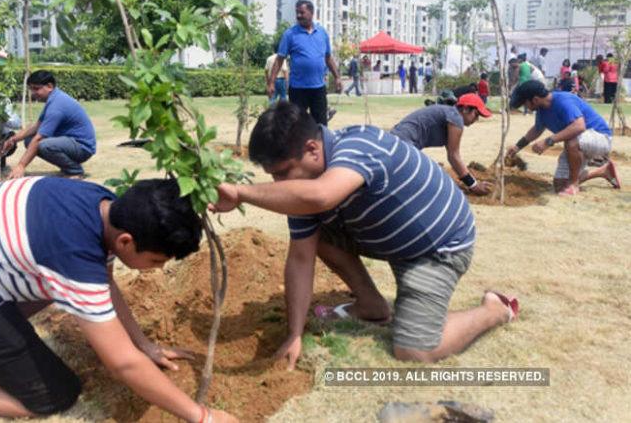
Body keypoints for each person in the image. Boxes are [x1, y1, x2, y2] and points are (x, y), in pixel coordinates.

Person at [0, 177, 238, 423]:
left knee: (66, 293)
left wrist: (145, 345)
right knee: (50, 397)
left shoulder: (103, 202)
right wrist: (201, 416)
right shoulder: (72, 252)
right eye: (156, 260)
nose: (156, 269)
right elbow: (121, 364)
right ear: (126, 242)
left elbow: (102, 286)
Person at [210, 102, 518, 367]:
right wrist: (294, 334)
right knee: (317, 237)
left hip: (437, 247)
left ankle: (494, 310)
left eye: (282, 173)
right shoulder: (303, 191)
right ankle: (372, 306)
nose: (278, 183)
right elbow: (301, 258)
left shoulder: (359, 145)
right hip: (392, 238)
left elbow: (321, 195)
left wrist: (240, 192)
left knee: (415, 350)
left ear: (312, 149)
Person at [507, 81, 621, 196]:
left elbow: (579, 126)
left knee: (571, 141)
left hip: (600, 138)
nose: (525, 107)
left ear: (535, 99)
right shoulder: (541, 111)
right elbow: (536, 130)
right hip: (579, 141)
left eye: (525, 103)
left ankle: (574, 185)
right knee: (560, 185)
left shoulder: (563, 101)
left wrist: (548, 141)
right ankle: (603, 171)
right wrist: (518, 146)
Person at [391, 93, 494, 196]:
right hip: (403, 144)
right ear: (465, 109)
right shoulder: (455, 118)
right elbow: (453, 157)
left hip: (398, 142)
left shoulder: (451, 114)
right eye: (476, 114)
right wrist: (474, 185)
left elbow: (452, 156)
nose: (477, 119)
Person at [2, 70, 96, 179]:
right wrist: (13, 139)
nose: (32, 93)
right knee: (29, 141)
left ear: (49, 86)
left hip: (83, 147)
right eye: (31, 89)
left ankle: (75, 170)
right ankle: (68, 167)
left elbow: (39, 138)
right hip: (71, 142)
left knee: (43, 145)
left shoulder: (57, 106)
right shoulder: (54, 98)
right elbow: (37, 126)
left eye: (36, 88)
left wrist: (21, 166)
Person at [267, 0, 342, 125]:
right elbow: (279, 59)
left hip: (318, 88)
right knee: (296, 125)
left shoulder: (322, 33)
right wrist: (271, 82)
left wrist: (337, 78)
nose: (299, 16)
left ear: (312, 12)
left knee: (320, 125)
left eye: (302, 12)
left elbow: (328, 58)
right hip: (298, 89)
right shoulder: (290, 34)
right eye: (297, 13)